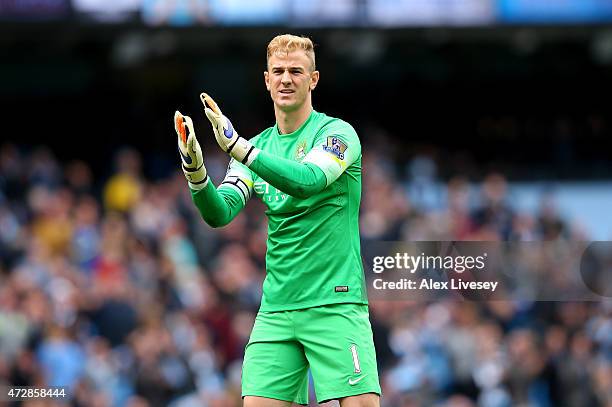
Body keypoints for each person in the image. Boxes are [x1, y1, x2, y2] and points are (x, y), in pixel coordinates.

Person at [173, 34, 381, 407]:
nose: (286, 79)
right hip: (277, 309)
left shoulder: (337, 134)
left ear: (313, 79)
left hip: (334, 303)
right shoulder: (256, 148)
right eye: (278, 71)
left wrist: (240, 147)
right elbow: (220, 212)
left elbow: (308, 181)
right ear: (266, 80)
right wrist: (196, 169)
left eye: (296, 71)